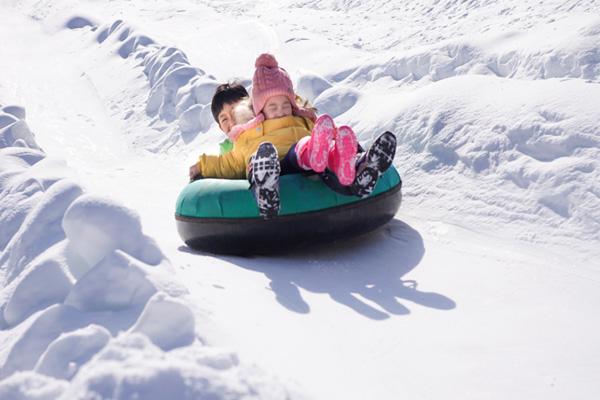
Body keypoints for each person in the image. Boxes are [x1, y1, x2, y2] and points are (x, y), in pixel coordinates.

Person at [189, 53, 397, 218]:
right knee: (260, 156)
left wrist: (353, 150)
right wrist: (203, 167)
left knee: (321, 156)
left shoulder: (301, 118)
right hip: (274, 161)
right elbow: (228, 164)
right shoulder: (245, 137)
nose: (232, 121)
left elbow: (328, 136)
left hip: (305, 158)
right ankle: (265, 185)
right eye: (224, 118)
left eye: (284, 104)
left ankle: (361, 169)